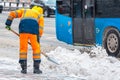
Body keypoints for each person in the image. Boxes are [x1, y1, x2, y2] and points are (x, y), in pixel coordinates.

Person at [5, 6, 44, 74]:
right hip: (33, 32)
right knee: (36, 49)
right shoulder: (40, 15)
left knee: (23, 48)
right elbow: (40, 29)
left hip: (23, 30)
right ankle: (36, 69)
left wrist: (8, 24)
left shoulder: (25, 10)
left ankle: (23, 69)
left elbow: (12, 13)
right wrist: (38, 39)